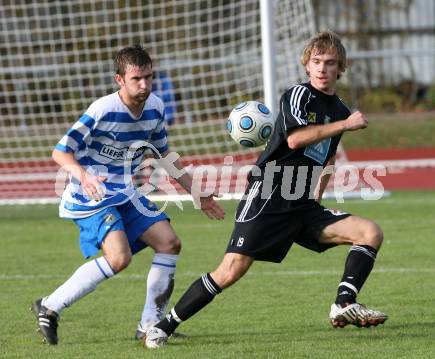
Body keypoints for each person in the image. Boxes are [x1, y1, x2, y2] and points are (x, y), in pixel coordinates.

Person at [145, 30, 388, 349]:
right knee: (231, 270)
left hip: (302, 203)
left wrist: (318, 192)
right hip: (268, 196)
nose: (322, 68)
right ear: (307, 64)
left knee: (369, 232)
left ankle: (343, 303)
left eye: (330, 63)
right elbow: (295, 140)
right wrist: (345, 124)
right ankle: (161, 327)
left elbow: (327, 155)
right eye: (316, 61)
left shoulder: (339, 109)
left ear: (340, 68)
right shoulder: (299, 96)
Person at [31, 45, 225, 345]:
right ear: (120, 80)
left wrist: (198, 194)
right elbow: (60, 151)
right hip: (90, 196)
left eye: (149, 77)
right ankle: (50, 306)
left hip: (125, 193)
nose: (145, 85)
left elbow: (164, 154)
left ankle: (149, 325)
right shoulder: (103, 109)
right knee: (119, 258)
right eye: (137, 79)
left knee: (169, 243)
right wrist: (83, 176)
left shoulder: (156, 107)